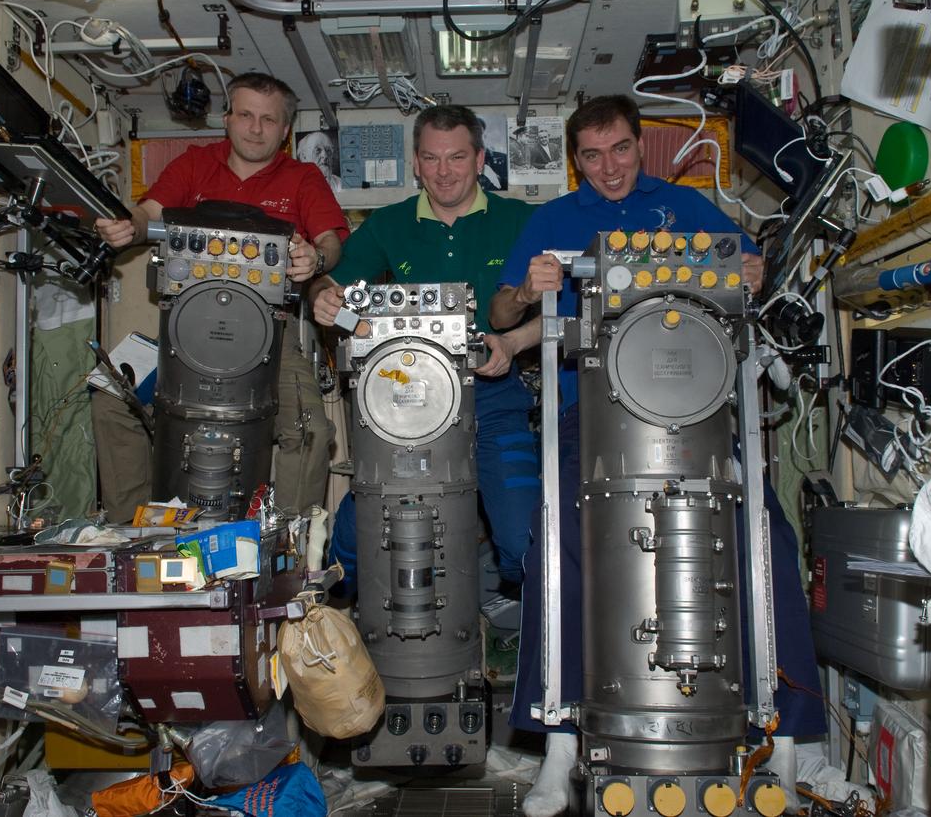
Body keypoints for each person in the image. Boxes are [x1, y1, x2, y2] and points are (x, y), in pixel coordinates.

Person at [489, 95, 824, 817]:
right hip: (594, 422)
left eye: (619, 150)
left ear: (641, 147)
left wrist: (756, 271)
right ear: (574, 159)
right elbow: (502, 313)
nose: (608, 167)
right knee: (557, 546)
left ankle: (784, 742)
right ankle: (560, 744)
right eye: (591, 155)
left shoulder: (685, 207)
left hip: (697, 421)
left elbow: (749, 267)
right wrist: (527, 288)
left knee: (766, 540)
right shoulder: (550, 222)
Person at [94, 71, 349, 517]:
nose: (255, 128)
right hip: (181, 334)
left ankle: (284, 542)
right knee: (112, 397)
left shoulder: (303, 178)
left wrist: (316, 260)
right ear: (227, 118)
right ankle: (133, 531)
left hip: (270, 337)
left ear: (285, 131)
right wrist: (127, 227)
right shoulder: (194, 165)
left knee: (311, 430)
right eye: (246, 115)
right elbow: (145, 214)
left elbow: (330, 241)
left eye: (269, 120)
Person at [309, 104, 541, 586]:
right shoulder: (389, 225)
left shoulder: (521, 220)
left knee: (524, 544)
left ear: (480, 160)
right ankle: (342, 623)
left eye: (457, 157)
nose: (444, 171)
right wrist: (325, 300)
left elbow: (565, 307)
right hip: (406, 399)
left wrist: (513, 343)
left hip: (494, 397)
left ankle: (526, 639)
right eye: (431, 159)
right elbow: (327, 283)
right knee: (348, 546)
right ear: (415, 163)